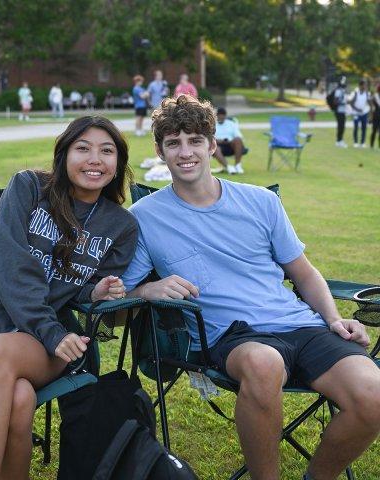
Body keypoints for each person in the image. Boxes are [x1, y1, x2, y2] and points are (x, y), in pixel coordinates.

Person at [122, 94, 380, 480]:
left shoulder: (260, 202)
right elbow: (121, 293)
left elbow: (304, 273)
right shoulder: (145, 216)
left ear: (212, 145)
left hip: (301, 326)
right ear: (160, 151)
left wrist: (332, 318)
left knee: (374, 395)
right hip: (233, 337)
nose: (185, 152)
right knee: (264, 363)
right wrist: (147, 291)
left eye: (195, 140)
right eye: (173, 143)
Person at [0, 115, 138, 480]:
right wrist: (50, 329)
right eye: (83, 148)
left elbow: (80, 290)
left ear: (118, 165)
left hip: (41, 348)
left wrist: (95, 291)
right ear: (64, 154)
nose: (94, 159)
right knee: (19, 400)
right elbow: (10, 265)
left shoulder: (121, 226)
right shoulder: (29, 188)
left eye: (107, 151)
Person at [212, 107, 246, 174]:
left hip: (231, 145)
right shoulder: (212, 125)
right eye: (219, 115)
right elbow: (210, 138)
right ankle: (229, 167)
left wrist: (231, 141)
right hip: (218, 145)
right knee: (214, 147)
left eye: (222, 115)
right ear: (216, 116)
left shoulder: (231, 124)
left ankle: (237, 165)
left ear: (225, 116)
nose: (221, 117)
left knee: (238, 140)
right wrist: (219, 141)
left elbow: (239, 136)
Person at [350, 80, 371, 148]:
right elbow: (351, 103)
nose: (365, 86)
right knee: (356, 127)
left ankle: (362, 142)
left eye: (366, 85)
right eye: (364, 85)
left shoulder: (367, 93)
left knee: (364, 128)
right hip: (356, 113)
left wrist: (370, 111)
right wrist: (357, 109)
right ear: (360, 85)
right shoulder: (356, 93)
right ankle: (355, 142)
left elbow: (369, 102)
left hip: (364, 113)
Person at [333, 76, 348, 148]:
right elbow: (335, 101)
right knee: (340, 126)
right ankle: (339, 140)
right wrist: (342, 103)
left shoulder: (342, 90)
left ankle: (340, 140)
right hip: (339, 111)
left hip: (343, 111)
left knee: (342, 126)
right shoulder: (338, 91)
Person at [370, 84, 380, 149]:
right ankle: (372, 145)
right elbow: (372, 107)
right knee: (374, 131)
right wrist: (371, 117)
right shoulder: (374, 97)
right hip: (375, 116)